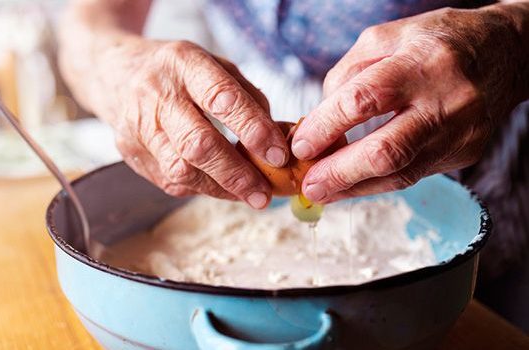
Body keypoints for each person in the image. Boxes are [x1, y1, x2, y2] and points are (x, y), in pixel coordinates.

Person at [57, 0, 529, 330]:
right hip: (247, 141)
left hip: (482, 163)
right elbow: (90, 18)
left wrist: (513, 37)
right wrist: (114, 65)